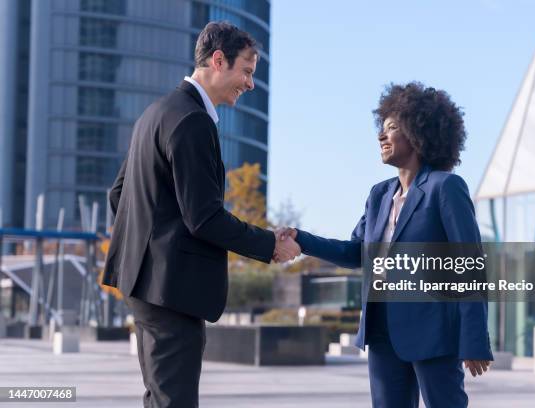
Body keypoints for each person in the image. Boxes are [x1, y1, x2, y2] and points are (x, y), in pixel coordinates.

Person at [102, 22, 300, 407]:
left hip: (146, 286)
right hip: (171, 290)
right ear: (218, 60)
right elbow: (204, 217)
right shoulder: (192, 120)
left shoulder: (154, 113)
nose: (250, 83)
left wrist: (148, 248)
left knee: (161, 398)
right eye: (246, 70)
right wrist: (268, 245)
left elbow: (119, 195)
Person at [278, 82, 493, 408]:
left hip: (434, 335)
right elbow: (356, 253)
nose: (381, 136)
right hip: (381, 335)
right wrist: (301, 239)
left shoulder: (445, 188)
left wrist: (474, 340)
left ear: (419, 133)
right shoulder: (379, 195)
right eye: (381, 128)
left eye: (392, 128)